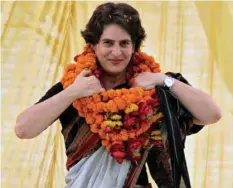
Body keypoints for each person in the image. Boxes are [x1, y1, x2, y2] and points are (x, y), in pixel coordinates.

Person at [15, 2, 221, 188]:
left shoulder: (153, 91)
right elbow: (23, 129)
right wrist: (73, 92)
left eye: (124, 43)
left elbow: (212, 114)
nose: (116, 52)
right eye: (108, 43)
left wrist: (163, 80)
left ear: (134, 47)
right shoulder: (75, 87)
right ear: (93, 45)